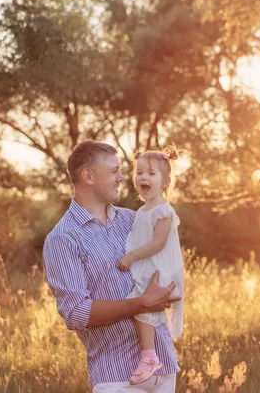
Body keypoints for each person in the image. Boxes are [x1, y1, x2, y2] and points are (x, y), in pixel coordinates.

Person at [42, 141, 181, 392]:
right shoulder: (63, 238)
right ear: (88, 176)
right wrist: (142, 303)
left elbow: (164, 260)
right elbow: (76, 313)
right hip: (118, 377)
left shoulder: (133, 219)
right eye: (114, 171)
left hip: (163, 367)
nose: (121, 178)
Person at [116, 146, 184, 385]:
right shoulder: (141, 211)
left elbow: (157, 243)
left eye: (152, 174)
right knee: (139, 307)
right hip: (146, 267)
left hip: (157, 268)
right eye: (140, 172)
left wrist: (130, 257)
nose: (144, 177)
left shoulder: (163, 211)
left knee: (141, 307)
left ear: (165, 182)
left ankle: (150, 357)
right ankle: (149, 355)